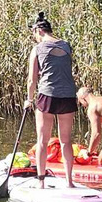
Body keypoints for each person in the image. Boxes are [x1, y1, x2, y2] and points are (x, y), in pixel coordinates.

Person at [24, 11, 76, 188]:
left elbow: (32, 79)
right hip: (68, 96)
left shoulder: (37, 49)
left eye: (34, 34)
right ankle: (69, 182)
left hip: (47, 95)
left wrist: (29, 100)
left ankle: (41, 183)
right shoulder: (67, 45)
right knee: (66, 141)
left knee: (42, 140)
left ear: (38, 31)